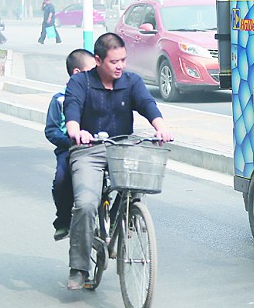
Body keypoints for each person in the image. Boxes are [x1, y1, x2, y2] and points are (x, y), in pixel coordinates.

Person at [63, 33, 173, 290]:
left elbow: (147, 105)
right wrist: (75, 130)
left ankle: (126, 218)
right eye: (114, 61)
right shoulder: (81, 82)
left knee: (136, 186)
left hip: (122, 149)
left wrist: (161, 127)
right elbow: (72, 108)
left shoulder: (132, 82)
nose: (120, 66)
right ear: (99, 60)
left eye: (123, 60)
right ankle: (79, 268)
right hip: (88, 150)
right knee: (86, 205)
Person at [45, 50, 97, 241]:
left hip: (96, 148)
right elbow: (51, 131)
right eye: (91, 70)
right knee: (61, 179)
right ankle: (63, 220)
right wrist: (71, 141)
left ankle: (118, 219)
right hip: (70, 150)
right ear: (77, 73)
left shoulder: (97, 95)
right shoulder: (59, 99)